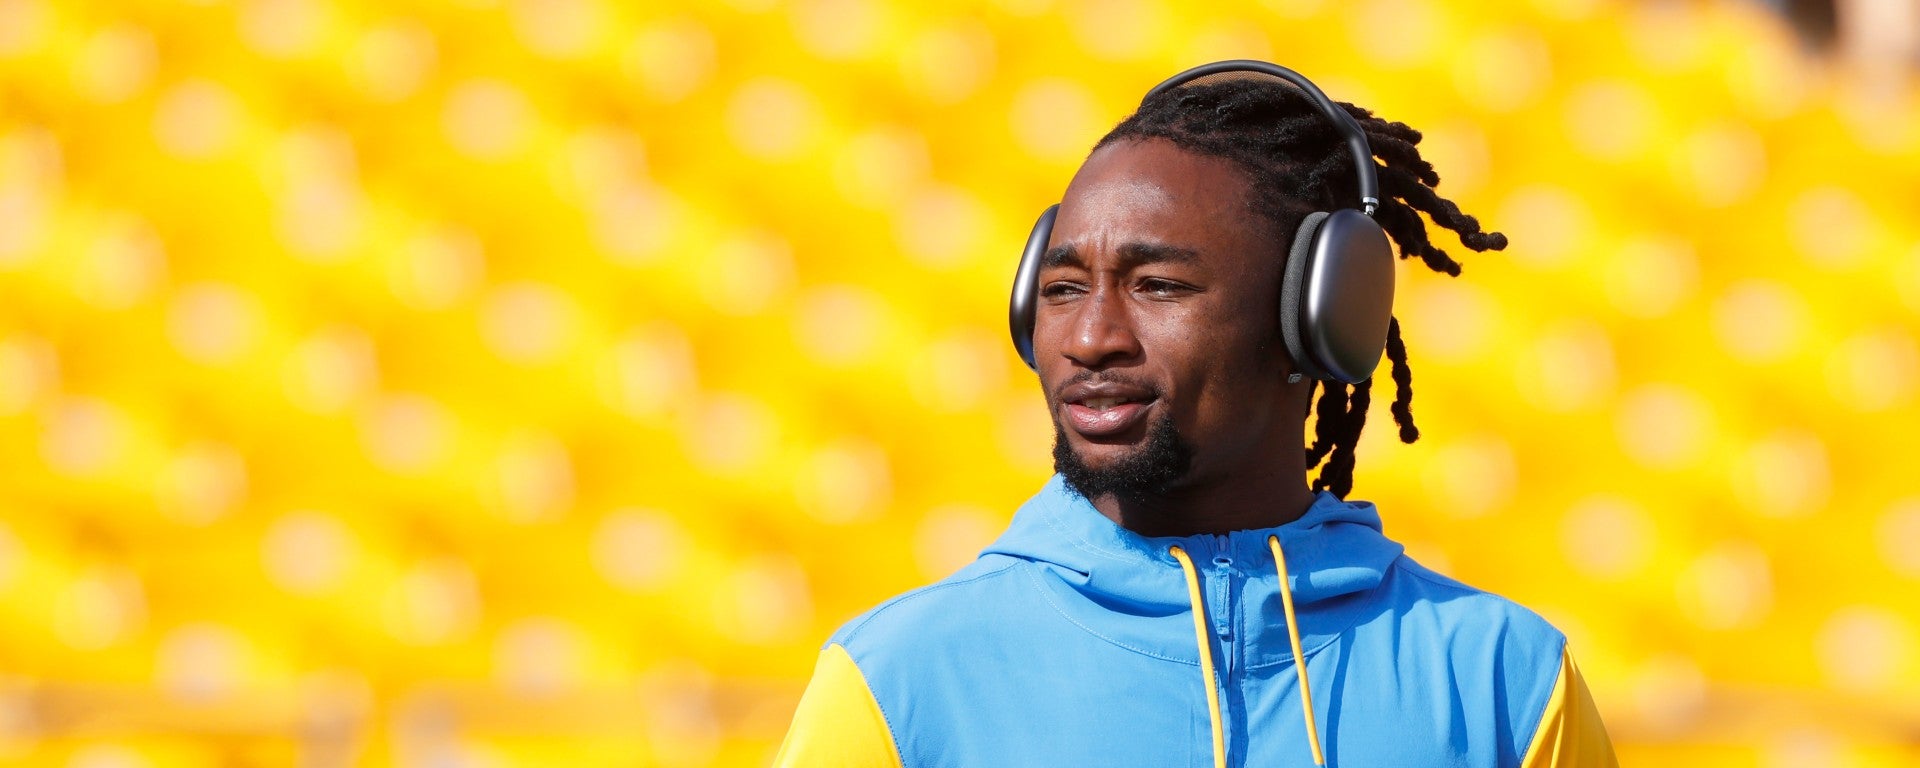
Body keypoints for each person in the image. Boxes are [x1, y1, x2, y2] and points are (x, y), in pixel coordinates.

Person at [774, 61, 1617, 768]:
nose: (1090, 338)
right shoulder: (897, 682)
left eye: (1158, 286)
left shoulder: (1506, 682)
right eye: (1063, 289)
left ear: (1321, 318)